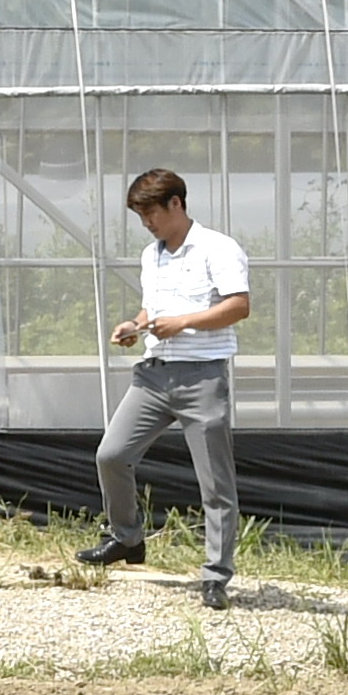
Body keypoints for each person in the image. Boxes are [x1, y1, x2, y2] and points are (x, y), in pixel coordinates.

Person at [90, 165, 251, 609]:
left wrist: (184, 323)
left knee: (215, 483)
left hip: (202, 375)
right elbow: (152, 308)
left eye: (151, 213)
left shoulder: (218, 248)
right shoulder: (151, 254)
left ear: (176, 203)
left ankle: (216, 575)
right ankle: (127, 538)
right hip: (154, 373)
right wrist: (134, 325)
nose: (147, 223)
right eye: (141, 215)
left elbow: (239, 306)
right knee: (112, 454)